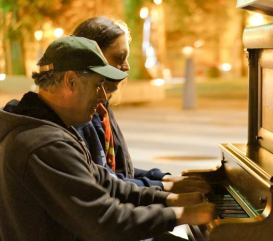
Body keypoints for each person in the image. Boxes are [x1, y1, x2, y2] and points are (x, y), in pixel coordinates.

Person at [0, 36, 218, 241]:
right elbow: (102, 221)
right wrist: (180, 214)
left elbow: (106, 185)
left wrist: (169, 199)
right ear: (71, 81)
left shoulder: (51, 129)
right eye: (97, 85)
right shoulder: (44, 143)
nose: (102, 97)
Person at [72, 16, 207, 194]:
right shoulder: (81, 114)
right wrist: (165, 189)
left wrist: (161, 177)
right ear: (91, 59)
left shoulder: (102, 106)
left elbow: (118, 171)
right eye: (119, 57)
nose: (126, 67)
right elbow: (102, 182)